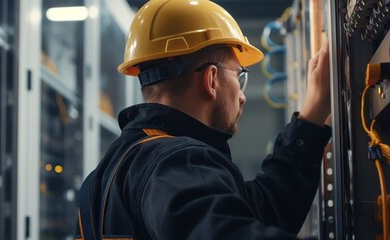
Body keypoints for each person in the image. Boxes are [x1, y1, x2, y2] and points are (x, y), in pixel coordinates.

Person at [76, 0, 332, 239]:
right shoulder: (174, 162)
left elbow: (256, 212)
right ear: (211, 79)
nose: (242, 96)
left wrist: (311, 117)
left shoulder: (105, 176)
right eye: (239, 75)